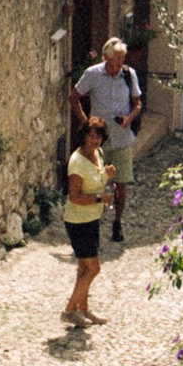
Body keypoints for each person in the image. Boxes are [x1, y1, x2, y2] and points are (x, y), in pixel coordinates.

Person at [72, 33, 144, 247]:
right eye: (117, 58)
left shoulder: (129, 75)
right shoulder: (92, 74)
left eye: (122, 58)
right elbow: (74, 97)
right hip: (97, 142)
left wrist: (129, 119)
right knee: (92, 184)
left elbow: (137, 103)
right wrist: (86, 123)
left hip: (121, 139)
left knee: (120, 183)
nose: (120, 63)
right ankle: (89, 224)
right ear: (106, 57)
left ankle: (117, 223)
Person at [62, 117, 111, 325]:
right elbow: (75, 197)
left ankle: (84, 309)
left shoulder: (98, 154)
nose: (95, 140)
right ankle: (68, 311)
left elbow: (96, 180)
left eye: (98, 136)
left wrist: (106, 175)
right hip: (78, 221)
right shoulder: (77, 162)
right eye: (91, 135)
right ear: (83, 136)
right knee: (94, 268)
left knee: (83, 268)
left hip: (92, 218)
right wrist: (100, 198)